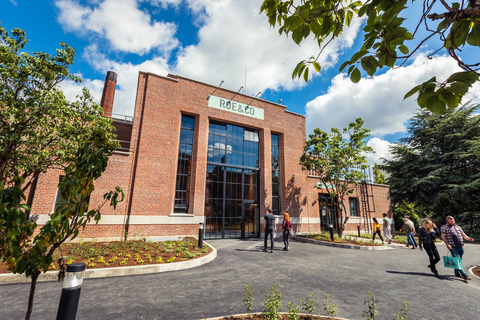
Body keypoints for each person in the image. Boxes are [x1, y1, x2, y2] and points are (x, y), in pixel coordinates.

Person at [440, 216, 475, 281]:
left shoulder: (458, 227)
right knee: (457, 261)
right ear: (447, 221)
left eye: (453, 221)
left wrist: (469, 238)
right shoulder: (444, 227)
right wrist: (447, 244)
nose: (452, 222)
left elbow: (463, 235)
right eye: (451, 221)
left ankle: (456, 272)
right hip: (453, 246)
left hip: (460, 246)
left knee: (458, 260)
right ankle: (464, 275)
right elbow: (443, 236)